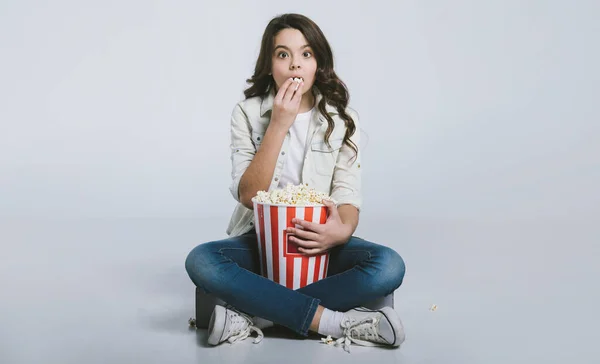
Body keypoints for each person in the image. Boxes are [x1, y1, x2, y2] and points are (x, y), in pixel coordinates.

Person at [185, 13, 406, 352]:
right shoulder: (246, 113)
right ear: (269, 63)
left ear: (319, 63)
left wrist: (341, 231)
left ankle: (253, 317)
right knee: (202, 260)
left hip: (320, 245)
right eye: (283, 54)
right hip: (261, 243)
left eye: (305, 54)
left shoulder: (343, 119)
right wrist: (278, 123)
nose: (294, 66)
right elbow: (249, 195)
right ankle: (336, 322)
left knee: (388, 265)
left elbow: (347, 191)